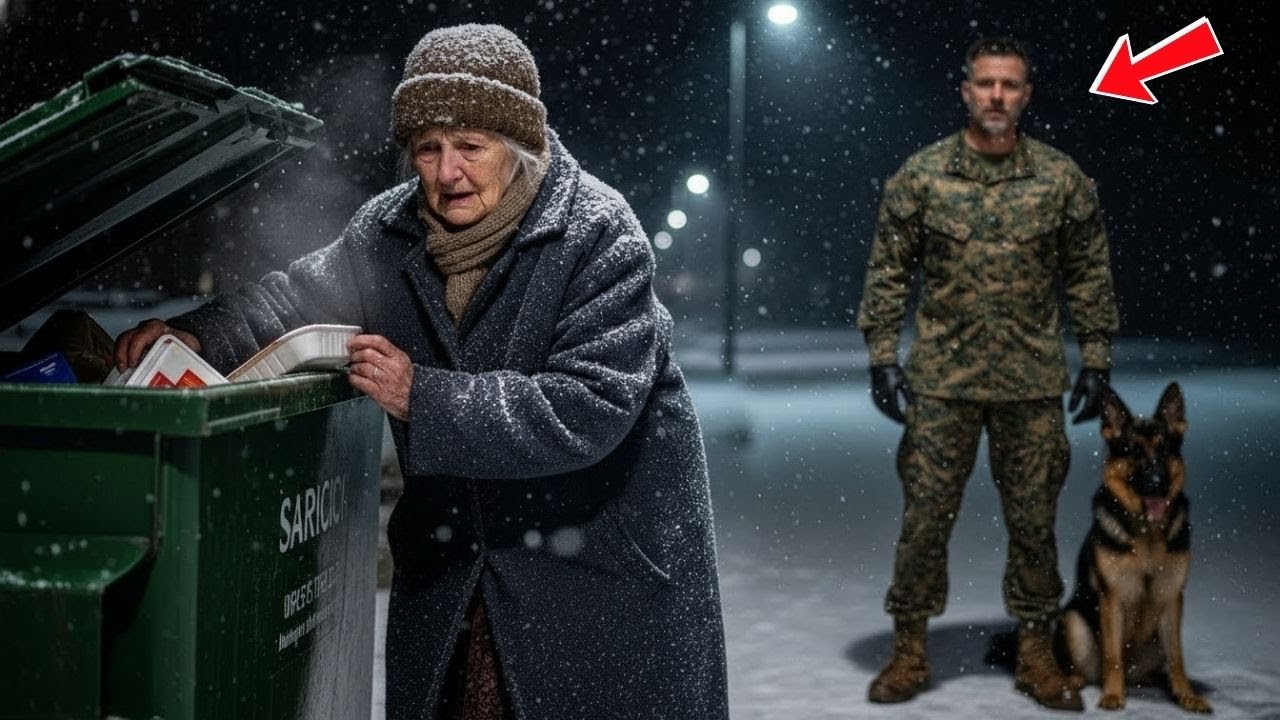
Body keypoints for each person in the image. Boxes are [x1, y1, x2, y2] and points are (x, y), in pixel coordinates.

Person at [115, 24, 728, 720]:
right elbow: (292, 299)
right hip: (459, 564)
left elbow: (587, 409)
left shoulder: (597, 233)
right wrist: (198, 331)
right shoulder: (388, 229)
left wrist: (424, 398)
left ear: (519, 146)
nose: (445, 173)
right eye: (428, 149)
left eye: (471, 146)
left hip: (592, 574)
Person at [855, 37, 1118, 711]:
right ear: (966, 91)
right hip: (942, 382)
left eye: (1010, 85)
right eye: (986, 84)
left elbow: (1088, 270)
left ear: (1026, 95)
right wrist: (882, 355)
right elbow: (888, 270)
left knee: (1034, 523)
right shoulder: (922, 176)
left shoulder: (1060, 179)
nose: (997, 96)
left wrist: (1096, 357)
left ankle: (1036, 651)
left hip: (1030, 384)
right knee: (925, 522)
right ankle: (909, 649)